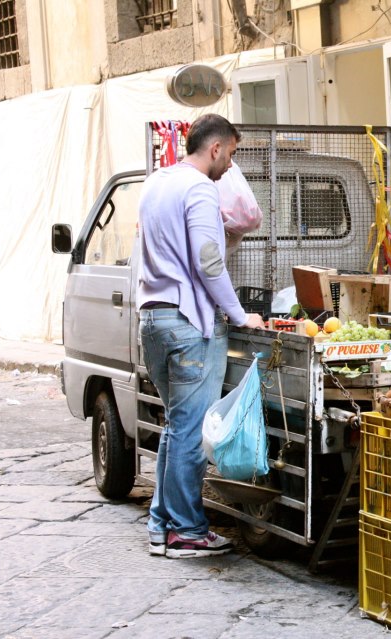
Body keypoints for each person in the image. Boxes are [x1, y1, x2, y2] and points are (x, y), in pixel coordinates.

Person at [137, 114, 265, 558]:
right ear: (214, 148)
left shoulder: (156, 183)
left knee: (176, 427)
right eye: (230, 154)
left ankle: (161, 525)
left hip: (152, 321)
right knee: (190, 433)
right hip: (188, 324)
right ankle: (188, 531)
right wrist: (239, 315)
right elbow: (209, 262)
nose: (231, 165)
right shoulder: (199, 190)